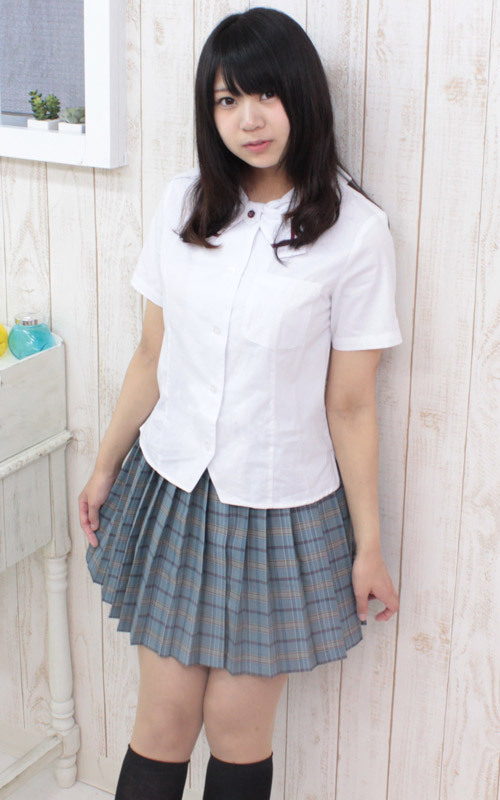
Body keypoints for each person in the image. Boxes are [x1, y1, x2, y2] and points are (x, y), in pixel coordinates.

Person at [79, 7, 402, 800]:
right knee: (162, 722)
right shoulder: (184, 202)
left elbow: (350, 405)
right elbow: (152, 354)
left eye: (265, 94)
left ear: (302, 97)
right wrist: (104, 464)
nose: (248, 119)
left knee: (236, 729)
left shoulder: (356, 233)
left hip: (277, 509)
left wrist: (369, 546)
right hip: (174, 490)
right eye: (226, 100)